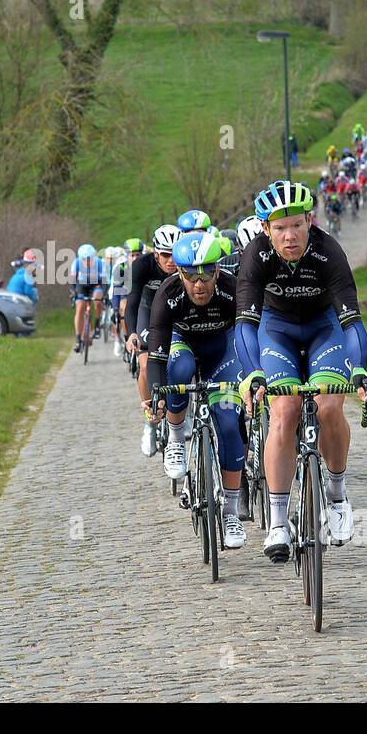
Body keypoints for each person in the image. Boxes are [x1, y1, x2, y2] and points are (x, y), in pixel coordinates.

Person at [234, 181, 367, 561]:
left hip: (323, 329)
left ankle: (337, 494)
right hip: (276, 330)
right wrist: (252, 374)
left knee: (329, 407)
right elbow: (246, 326)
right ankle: (279, 522)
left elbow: (351, 322)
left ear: (310, 221)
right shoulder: (255, 256)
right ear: (266, 229)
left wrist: (360, 369)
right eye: (279, 228)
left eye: (296, 225)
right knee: (284, 412)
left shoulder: (328, 251)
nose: (289, 235)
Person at [144, 232, 248, 549]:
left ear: (218, 270)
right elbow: (157, 354)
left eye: (206, 273)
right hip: (183, 346)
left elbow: (248, 336)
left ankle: (230, 512)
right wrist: (156, 396)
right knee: (179, 370)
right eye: (190, 274)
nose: (199, 283)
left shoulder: (232, 290)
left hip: (222, 354)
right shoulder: (168, 293)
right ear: (179, 273)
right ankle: (176, 438)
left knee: (230, 424)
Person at [125, 224, 180, 454]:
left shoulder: (186, 263)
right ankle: (150, 423)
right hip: (148, 311)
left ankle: (182, 413)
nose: (171, 260)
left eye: (174, 254)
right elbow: (132, 302)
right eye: (165, 255)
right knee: (146, 364)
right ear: (156, 254)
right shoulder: (141, 266)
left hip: (176, 311)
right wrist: (131, 334)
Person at [69, 243, 105, 353]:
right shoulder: (76, 263)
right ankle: (78, 339)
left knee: (98, 301)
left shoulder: (99, 263)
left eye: (90, 259)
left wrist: (103, 293)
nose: (88, 262)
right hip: (82, 286)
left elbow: (104, 281)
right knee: (80, 308)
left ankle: (97, 325)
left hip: (96, 285)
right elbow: (73, 281)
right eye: (85, 259)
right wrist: (74, 292)